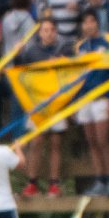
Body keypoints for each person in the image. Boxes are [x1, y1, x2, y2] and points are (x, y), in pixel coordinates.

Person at [18, 17, 69, 197]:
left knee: (56, 142)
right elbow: (21, 75)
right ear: (39, 33)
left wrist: (63, 63)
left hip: (57, 103)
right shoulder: (31, 52)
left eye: (51, 30)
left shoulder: (65, 49)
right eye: (44, 30)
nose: (48, 33)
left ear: (56, 31)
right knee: (37, 142)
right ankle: (32, 183)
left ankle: (54, 184)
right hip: (37, 104)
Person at [74, 10, 109, 195]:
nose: (88, 25)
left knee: (103, 140)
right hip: (84, 100)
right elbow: (75, 76)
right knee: (91, 142)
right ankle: (100, 180)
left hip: (102, 98)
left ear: (97, 23)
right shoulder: (80, 46)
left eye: (92, 21)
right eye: (85, 22)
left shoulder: (108, 42)